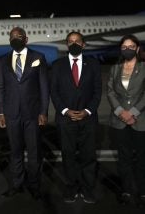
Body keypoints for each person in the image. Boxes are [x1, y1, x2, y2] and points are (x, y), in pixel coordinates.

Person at [0, 27, 49, 200]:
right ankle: (16, 185)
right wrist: (1, 112)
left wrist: (43, 111)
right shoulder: (3, 61)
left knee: (34, 152)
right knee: (15, 151)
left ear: (26, 39)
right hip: (11, 114)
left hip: (32, 114)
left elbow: (43, 87)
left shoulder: (38, 58)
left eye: (19, 36)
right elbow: (1, 88)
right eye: (12, 37)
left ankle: (34, 186)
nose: (15, 39)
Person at [51, 31, 102, 204]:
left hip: (88, 119)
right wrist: (65, 110)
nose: (74, 44)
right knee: (68, 156)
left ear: (83, 44)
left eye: (77, 41)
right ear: (67, 44)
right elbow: (54, 92)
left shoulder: (93, 64)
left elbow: (97, 91)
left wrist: (88, 110)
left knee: (89, 156)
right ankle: (71, 188)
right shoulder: (57, 65)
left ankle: (87, 190)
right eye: (70, 41)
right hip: (66, 119)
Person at [107, 35, 145, 207]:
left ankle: (142, 191)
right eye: (124, 47)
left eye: (131, 46)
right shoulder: (115, 68)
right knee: (124, 158)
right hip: (120, 120)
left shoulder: (144, 67)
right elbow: (110, 92)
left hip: (140, 119)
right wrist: (121, 112)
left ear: (137, 48)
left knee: (142, 158)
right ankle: (127, 191)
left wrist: (133, 112)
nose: (127, 49)